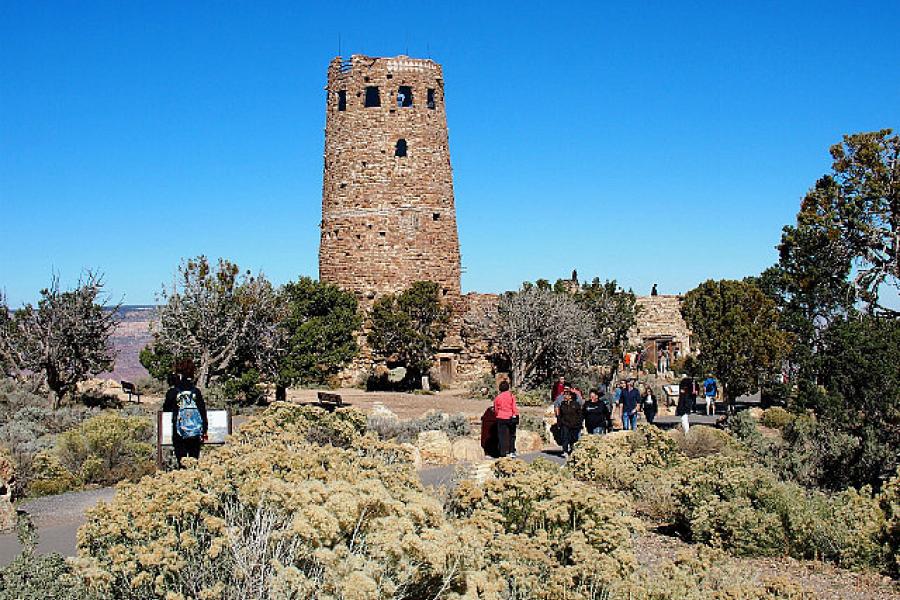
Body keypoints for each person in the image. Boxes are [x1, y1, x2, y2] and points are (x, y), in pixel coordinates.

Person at [163, 359, 208, 468]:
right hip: (195, 432)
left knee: (182, 463)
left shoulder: (173, 392)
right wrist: (204, 431)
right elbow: (202, 412)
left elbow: (166, 409)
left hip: (179, 433)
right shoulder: (196, 392)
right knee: (194, 462)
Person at [493, 380, 519, 458]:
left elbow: (496, 409)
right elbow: (514, 408)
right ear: (508, 387)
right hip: (510, 417)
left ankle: (503, 452)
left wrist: (497, 415)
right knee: (512, 434)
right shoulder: (511, 396)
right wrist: (516, 415)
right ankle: (512, 451)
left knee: (502, 436)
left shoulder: (498, 397)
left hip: (501, 417)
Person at [556, 390, 583, 457]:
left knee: (573, 438)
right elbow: (560, 415)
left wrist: (579, 423)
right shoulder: (562, 404)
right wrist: (559, 423)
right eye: (564, 395)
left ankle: (572, 450)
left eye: (567, 395)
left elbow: (580, 414)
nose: (565, 396)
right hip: (565, 423)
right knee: (565, 437)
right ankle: (565, 451)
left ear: (570, 396)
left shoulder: (576, 404)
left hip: (574, 424)